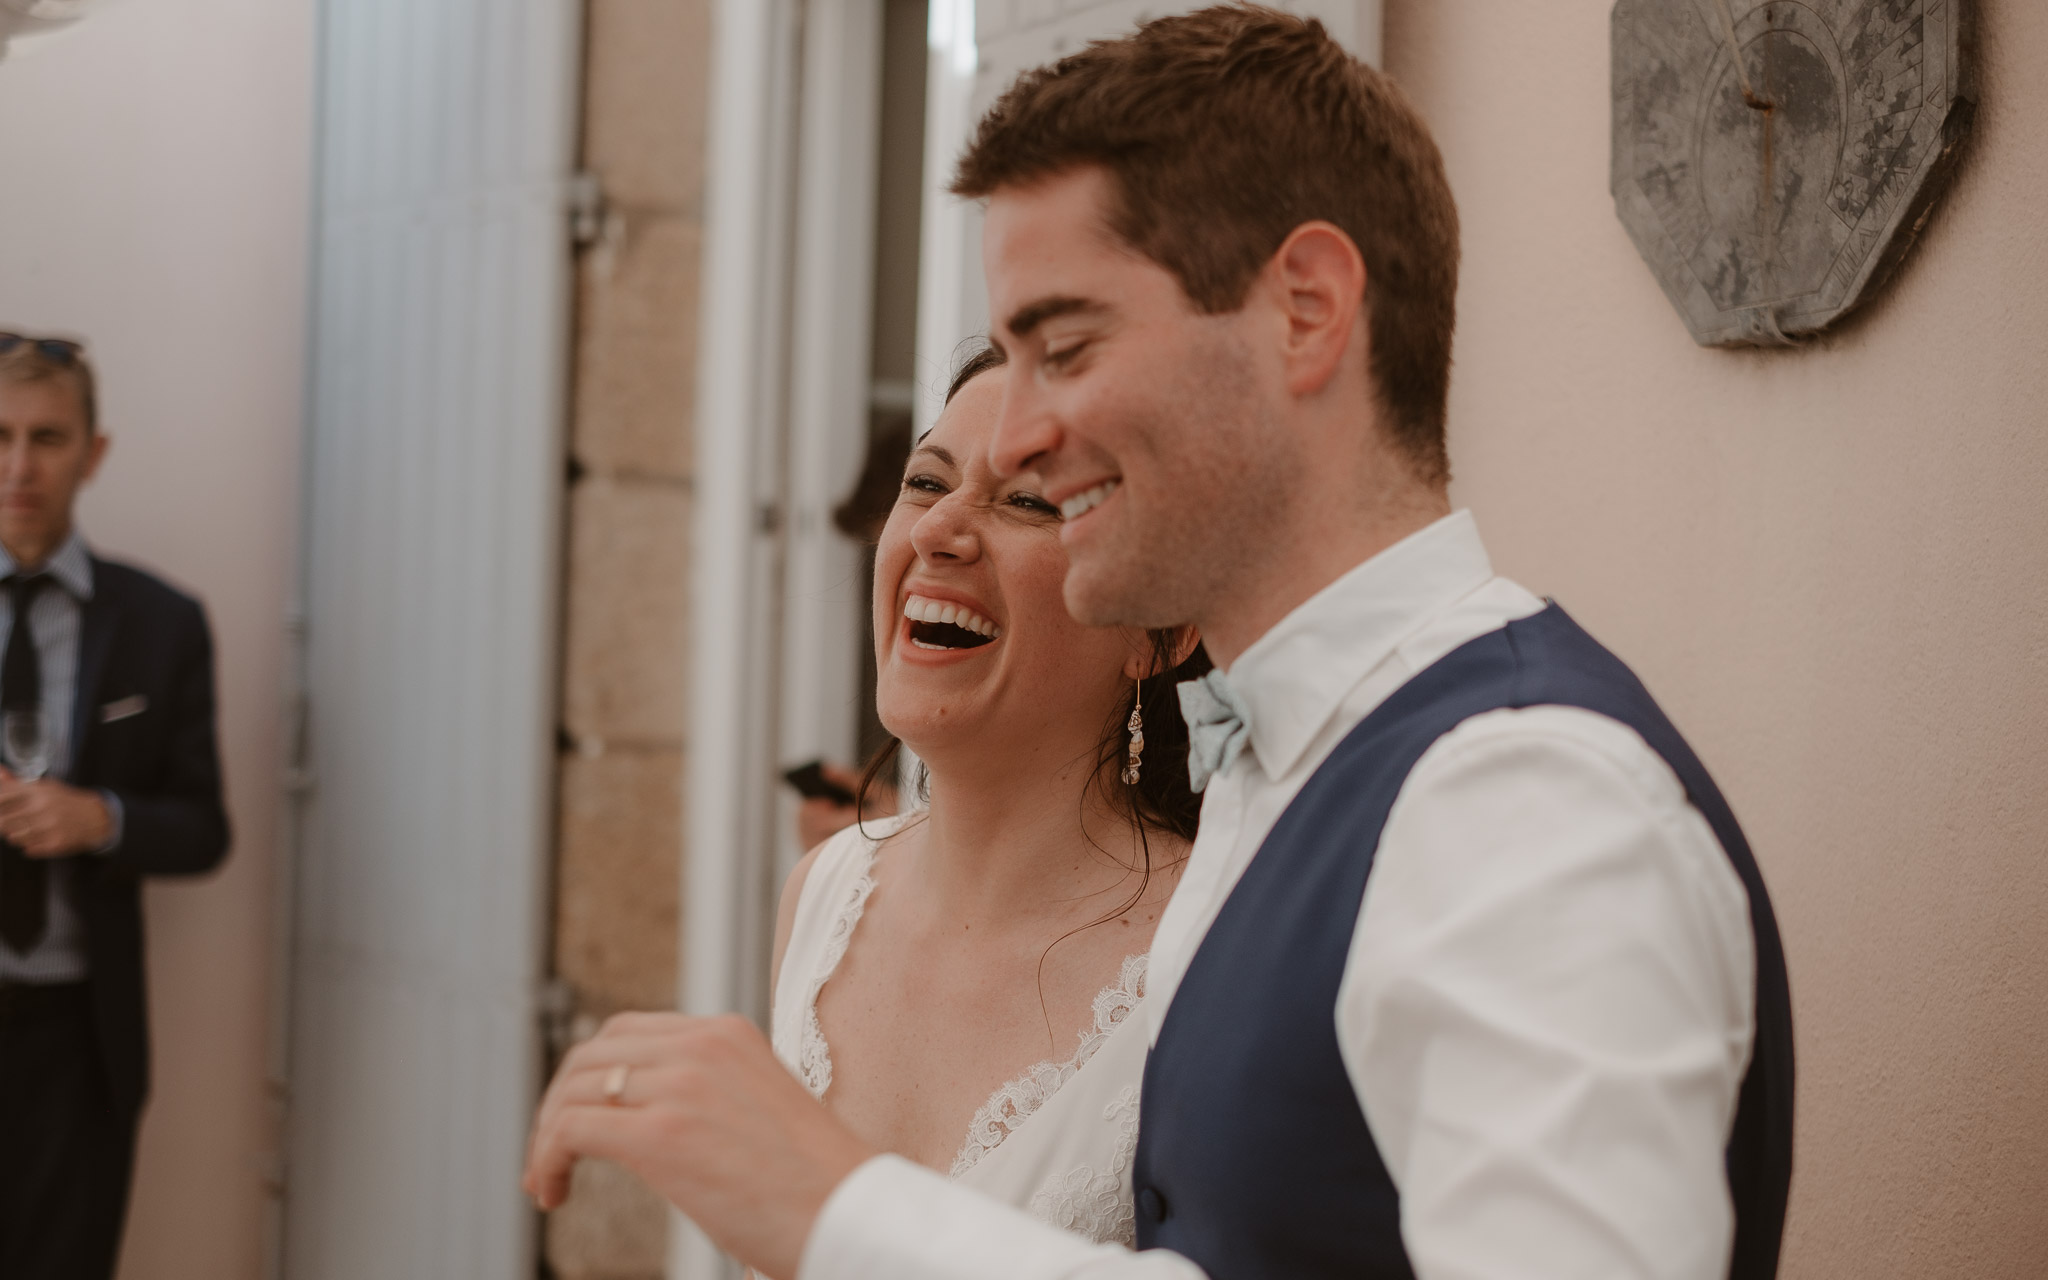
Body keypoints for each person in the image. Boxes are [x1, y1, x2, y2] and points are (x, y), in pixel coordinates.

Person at [523, 9, 1794, 1280]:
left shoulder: (1527, 799)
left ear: (1304, 308)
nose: (1013, 434)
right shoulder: (1268, 783)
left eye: (1064, 348)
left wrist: (840, 1209)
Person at [769, 344, 1205, 1244]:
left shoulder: (1210, 952)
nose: (939, 530)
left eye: (1029, 501)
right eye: (926, 482)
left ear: (1157, 632)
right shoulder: (822, 895)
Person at [0, 333, 230, 1280]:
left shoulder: (161, 622)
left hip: (76, 1041)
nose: (20, 465)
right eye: (1, 435)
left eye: (47, 437)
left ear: (92, 453)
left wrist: (103, 819)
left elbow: (205, 828)